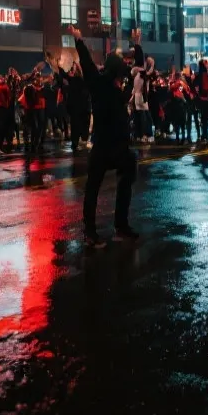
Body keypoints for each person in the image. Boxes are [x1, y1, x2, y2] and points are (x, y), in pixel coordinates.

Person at [70, 24, 143, 248]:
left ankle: (120, 226)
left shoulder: (118, 88)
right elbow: (87, 64)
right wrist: (79, 41)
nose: (123, 77)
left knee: (125, 179)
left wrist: (137, 45)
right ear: (113, 73)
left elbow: (137, 67)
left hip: (119, 146)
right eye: (120, 73)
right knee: (93, 188)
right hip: (102, 145)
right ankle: (90, 233)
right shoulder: (100, 85)